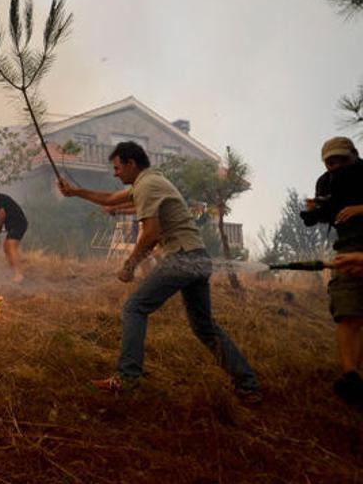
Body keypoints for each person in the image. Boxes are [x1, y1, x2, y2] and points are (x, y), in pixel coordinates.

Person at [57, 141, 261, 403]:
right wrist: (75, 192)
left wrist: (129, 265)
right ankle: (247, 384)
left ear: (132, 164)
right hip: (197, 258)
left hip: (182, 258)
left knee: (134, 307)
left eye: (117, 168)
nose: (115, 173)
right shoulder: (150, 181)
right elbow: (109, 198)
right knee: (204, 327)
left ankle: (127, 377)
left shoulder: (147, 186)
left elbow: (150, 234)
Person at [301, 136, 363, 405]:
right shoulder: (326, 183)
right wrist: (314, 211)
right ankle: (351, 377)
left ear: (355, 156)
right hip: (347, 252)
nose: (336, 166)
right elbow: (327, 215)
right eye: (330, 162)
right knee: (348, 312)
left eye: (342, 160)